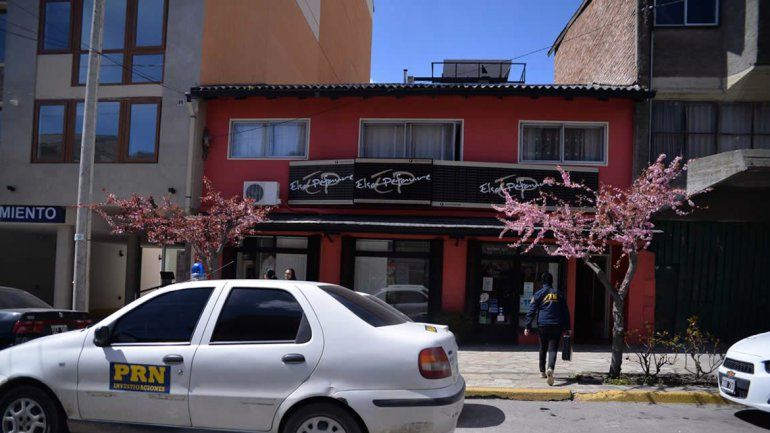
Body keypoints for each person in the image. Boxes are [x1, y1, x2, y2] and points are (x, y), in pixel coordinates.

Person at [523, 272, 571, 386]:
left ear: (542, 282)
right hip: (557, 324)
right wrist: (568, 327)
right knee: (553, 348)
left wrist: (527, 326)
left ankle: (542, 371)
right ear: (552, 281)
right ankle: (551, 368)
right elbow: (565, 311)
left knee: (543, 347)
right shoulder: (559, 294)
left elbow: (531, 311)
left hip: (543, 324)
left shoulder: (538, 294)